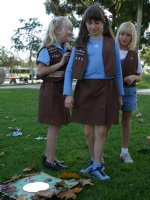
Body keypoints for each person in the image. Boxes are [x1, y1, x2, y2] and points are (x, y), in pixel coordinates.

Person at [63, 3, 124, 181]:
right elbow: (69, 70)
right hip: (85, 89)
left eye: (97, 22)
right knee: (88, 131)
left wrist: (120, 94)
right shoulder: (80, 43)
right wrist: (68, 93)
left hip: (106, 89)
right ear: (85, 24)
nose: (93, 26)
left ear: (103, 23)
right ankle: (93, 159)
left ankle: (98, 165)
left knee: (101, 130)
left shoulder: (111, 43)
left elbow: (118, 71)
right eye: (89, 22)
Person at [36, 16, 73, 170]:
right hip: (51, 92)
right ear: (57, 31)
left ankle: (48, 156)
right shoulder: (47, 49)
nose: (71, 32)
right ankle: (50, 160)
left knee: (56, 126)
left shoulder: (65, 49)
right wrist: (61, 63)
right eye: (68, 28)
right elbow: (39, 72)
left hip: (60, 92)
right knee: (55, 125)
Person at [116, 22, 143, 163]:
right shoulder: (111, 51)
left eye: (128, 35)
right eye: (122, 34)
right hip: (112, 91)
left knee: (126, 121)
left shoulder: (134, 55)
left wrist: (133, 77)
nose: (124, 37)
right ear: (118, 34)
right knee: (107, 122)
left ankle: (124, 152)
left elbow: (139, 76)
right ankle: (98, 153)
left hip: (129, 91)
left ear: (132, 38)